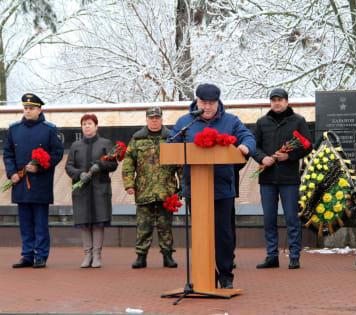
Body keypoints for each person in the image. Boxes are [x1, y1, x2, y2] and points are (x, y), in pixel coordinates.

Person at [167, 83, 256, 289]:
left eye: (211, 103)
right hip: (194, 189)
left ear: (218, 103)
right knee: (200, 233)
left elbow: (248, 137)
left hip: (222, 189)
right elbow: (171, 144)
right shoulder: (185, 122)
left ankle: (225, 275)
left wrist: (244, 146)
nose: (207, 107)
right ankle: (204, 274)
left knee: (222, 234)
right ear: (196, 101)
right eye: (203, 103)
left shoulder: (230, 121)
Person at [253, 88, 312, 270]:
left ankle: (294, 255)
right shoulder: (262, 122)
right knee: (269, 219)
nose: (277, 103)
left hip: (289, 178)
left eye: (280, 100)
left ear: (287, 102)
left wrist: (290, 156)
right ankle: (272, 255)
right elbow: (254, 146)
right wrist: (263, 158)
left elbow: (308, 145)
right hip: (267, 178)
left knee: (291, 218)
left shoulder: (298, 121)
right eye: (273, 100)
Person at [3, 93, 64, 268]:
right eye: (26, 108)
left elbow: (57, 154)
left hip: (40, 183)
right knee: (25, 223)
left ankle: (41, 255)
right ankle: (27, 255)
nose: (28, 111)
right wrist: (11, 173)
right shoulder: (14, 129)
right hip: (21, 183)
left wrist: (41, 167)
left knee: (40, 223)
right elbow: (8, 154)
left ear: (39, 110)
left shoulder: (49, 129)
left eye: (31, 108)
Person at [122, 106, 181, 269]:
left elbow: (180, 164)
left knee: (165, 226)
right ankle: (141, 256)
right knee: (143, 226)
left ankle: (167, 256)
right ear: (146, 120)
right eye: (151, 118)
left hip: (166, 190)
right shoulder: (137, 139)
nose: (154, 120)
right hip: (144, 190)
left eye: (157, 118)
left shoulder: (171, 138)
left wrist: (183, 186)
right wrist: (129, 184)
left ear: (162, 119)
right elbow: (128, 163)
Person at [65, 114, 118, 268]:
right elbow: (69, 167)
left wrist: (101, 166)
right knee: (84, 222)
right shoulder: (76, 146)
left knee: (97, 223)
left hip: (99, 189)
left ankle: (97, 255)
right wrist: (79, 174)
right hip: (82, 189)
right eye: (84, 124)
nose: (86, 126)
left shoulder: (105, 143)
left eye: (89, 123)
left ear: (96, 126)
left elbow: (113, 164)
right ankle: (87, 255)